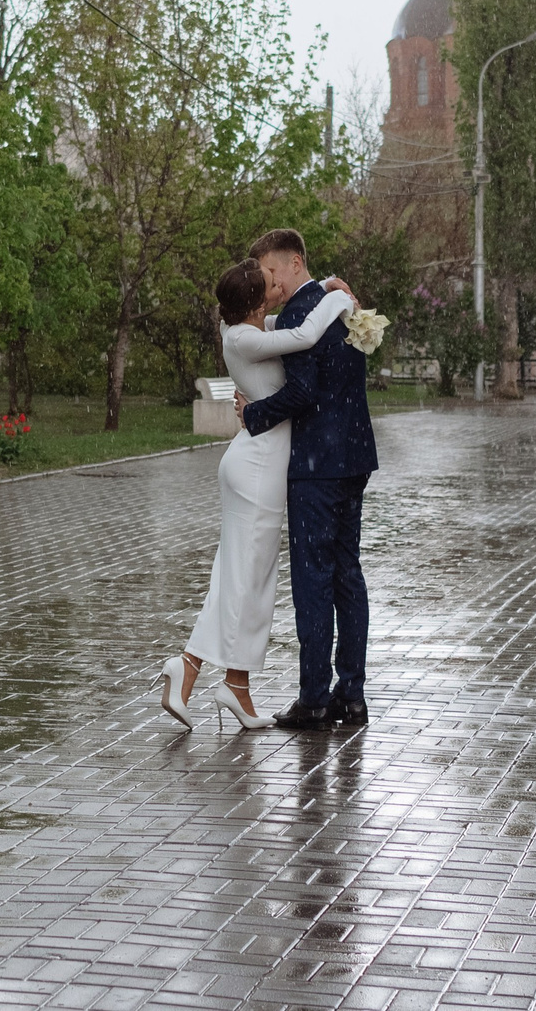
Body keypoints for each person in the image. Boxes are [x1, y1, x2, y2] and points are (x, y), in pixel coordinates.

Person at [157, 258, 356, 731]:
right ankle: (191, 667)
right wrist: (339, 299)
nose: (277, 287)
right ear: (253, 300)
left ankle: (228, 682)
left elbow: (293, 322)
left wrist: (323, 283)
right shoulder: (245, 336)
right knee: (247, 581)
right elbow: (305, 335)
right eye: (269, 284)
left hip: (255, 461)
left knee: (243, 577)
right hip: (258, 466)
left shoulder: (249, 329)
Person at [234, 228, 377, 732]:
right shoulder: (339, 305)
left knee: (314, 581)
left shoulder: (302, 314)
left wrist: (254, 413)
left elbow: (303, 393)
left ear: (295, 264)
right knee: (347, 575)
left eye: (271, 273)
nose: (266, 283)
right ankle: (352, 695)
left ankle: (315, 698)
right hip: (354, 457)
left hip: (317, 464)